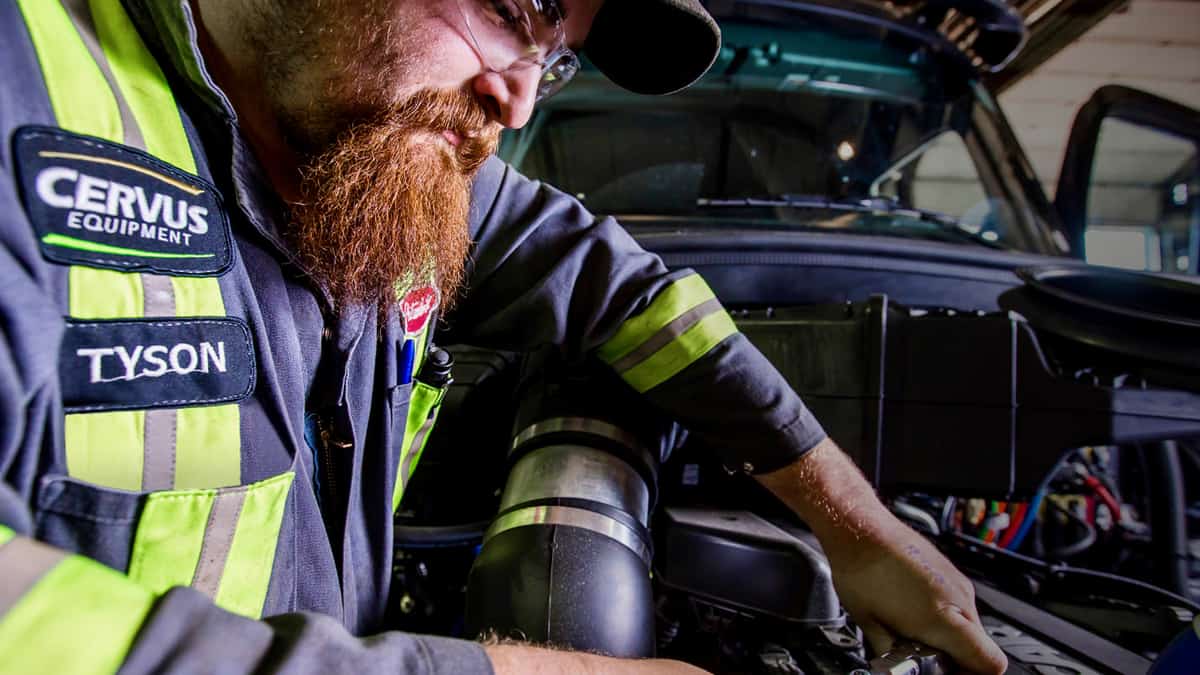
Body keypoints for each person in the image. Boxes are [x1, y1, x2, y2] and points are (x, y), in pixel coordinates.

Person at [0, 0, 1007, 672]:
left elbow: (627, 294)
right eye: (514, 11)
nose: (519, 95)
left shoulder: (373, 149)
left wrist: (857, 526)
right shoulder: (22, 92)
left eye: (553, 55)